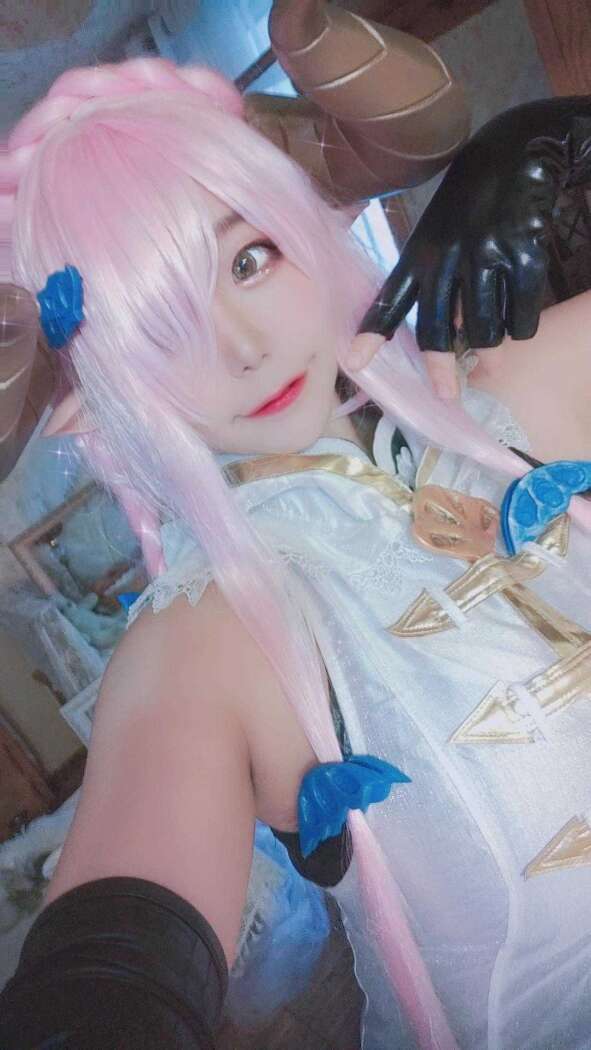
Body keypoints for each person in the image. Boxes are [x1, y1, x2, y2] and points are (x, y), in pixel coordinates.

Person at [1, 57, 591, 1050]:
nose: (242, 346)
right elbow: (111, 968)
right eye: (158, 330)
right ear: (101, 391)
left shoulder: (503, 393)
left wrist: (555, 137)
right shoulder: (208, 636)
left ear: (304, 223)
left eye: (247, 260)